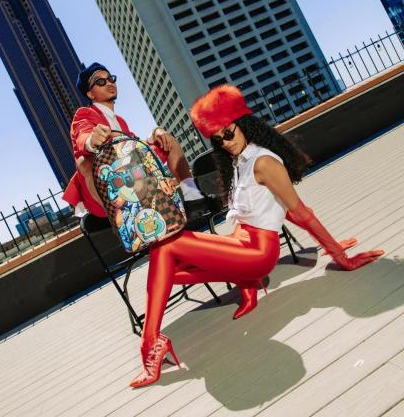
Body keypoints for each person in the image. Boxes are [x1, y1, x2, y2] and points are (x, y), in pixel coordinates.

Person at [129, 84, 384, 389]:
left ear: (245, 124)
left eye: (229, 133)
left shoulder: (264, 162)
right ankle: (247, 285)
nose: (226, 143)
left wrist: (340, 256)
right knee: (168, 272)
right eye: (218, 139)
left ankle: (150, 345)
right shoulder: (239, 162)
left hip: (259, 254)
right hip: (241, 246)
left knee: (166, 248)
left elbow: (299, 213)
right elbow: (271, 210)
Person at [63, 62, 204, 217]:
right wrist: (91, 140)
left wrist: (155, 133)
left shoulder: (120, 121)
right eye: (101, 81)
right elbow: (81, 134)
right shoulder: (85, 113)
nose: (109, 83)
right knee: (84, 161)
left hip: (133, 176)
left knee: (166, 139)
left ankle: (194, 198)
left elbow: (138, 145)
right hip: (107, 189)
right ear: (90, 94)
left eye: (110, 79)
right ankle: (119, 218)